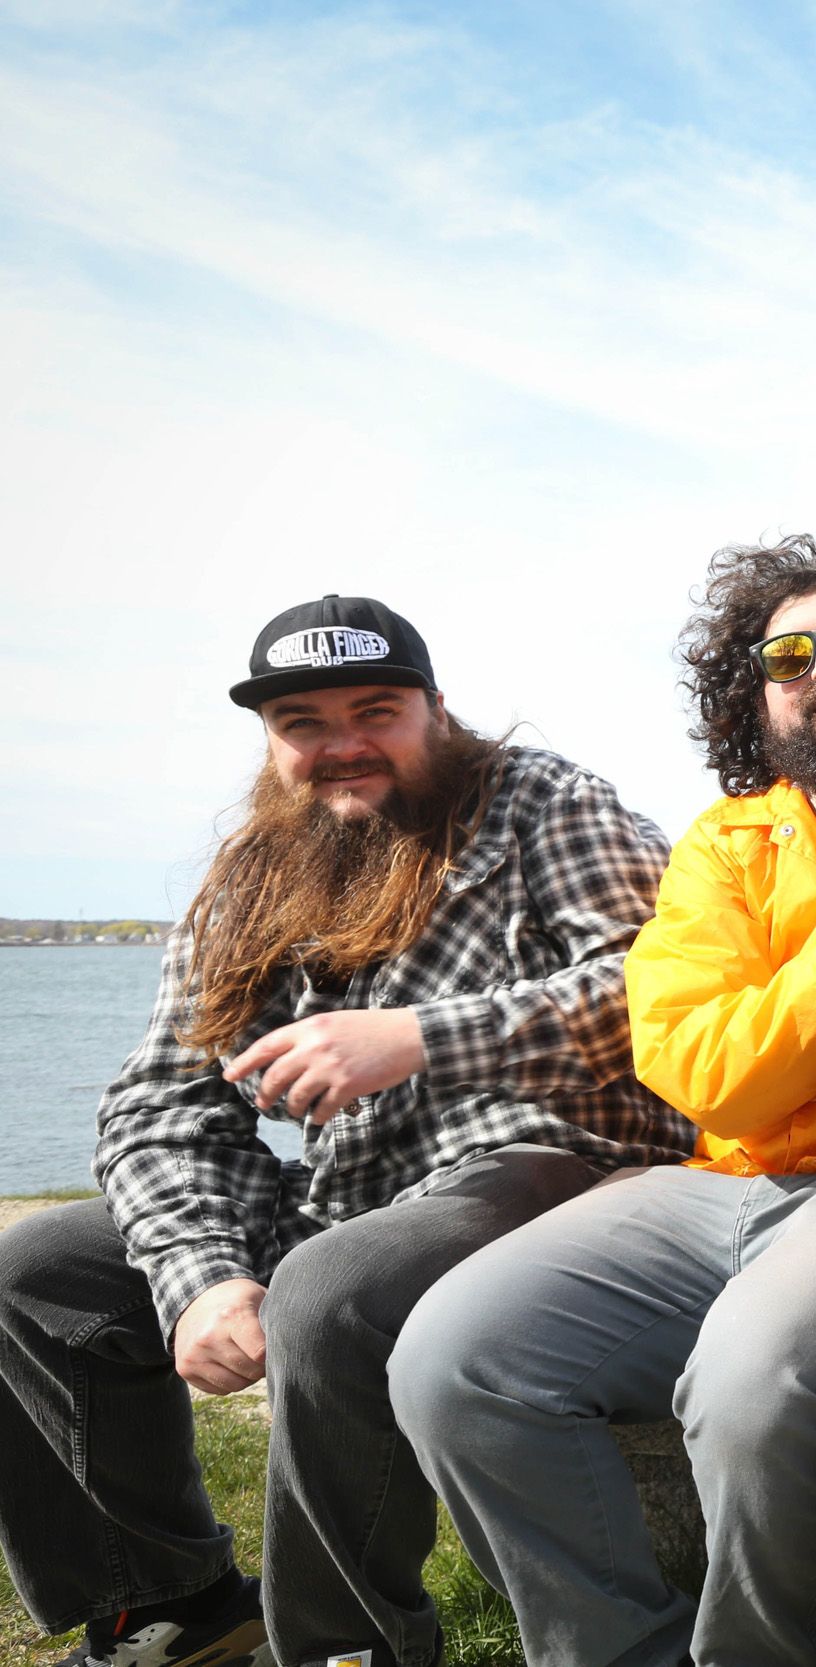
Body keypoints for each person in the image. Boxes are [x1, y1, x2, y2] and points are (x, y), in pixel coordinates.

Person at [0, 594, 691, 1667]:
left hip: (559, 1175)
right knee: (39, 1267)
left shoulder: (545, 803)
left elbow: (663, 980)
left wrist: (421, 1035)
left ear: (437, 709)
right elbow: (161, 1099)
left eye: (377, 708)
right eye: (305, 722)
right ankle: (170, 1600)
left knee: (328, 1287)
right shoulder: (250, 874)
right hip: (358, 1200)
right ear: (272, 740)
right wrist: (203, 1274)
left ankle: (344, 1647)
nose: (343, 743)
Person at [392, 538, 816, 1667]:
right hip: (723, 1179)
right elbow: (707, 1072)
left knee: (751, 1387)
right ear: (754, 695)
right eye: (788, 653)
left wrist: (801, 998)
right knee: (452, 1358)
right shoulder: (724, 843)